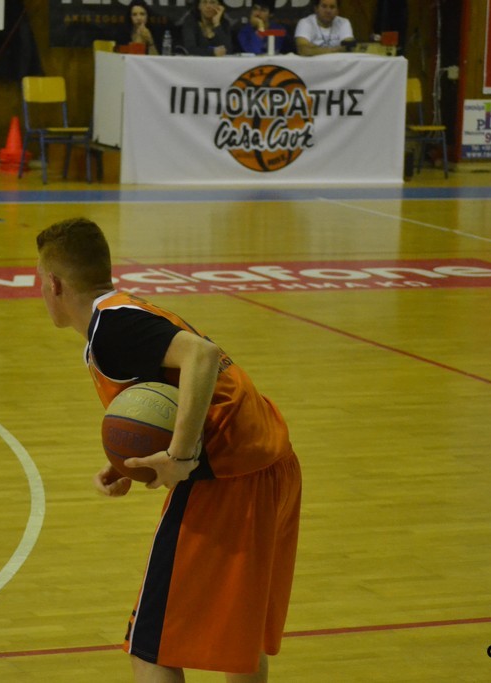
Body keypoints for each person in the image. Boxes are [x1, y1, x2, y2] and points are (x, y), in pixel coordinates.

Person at [36, 217, 301, 683]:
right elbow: (169, 393)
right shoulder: (120, 313)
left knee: (150, 647)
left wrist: (179, 456)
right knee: (239, 642)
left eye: (40, 281)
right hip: (268, 461)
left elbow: (201, 355)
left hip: (226, 479)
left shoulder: (112, 328)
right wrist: (129, 461)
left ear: (55, 284)